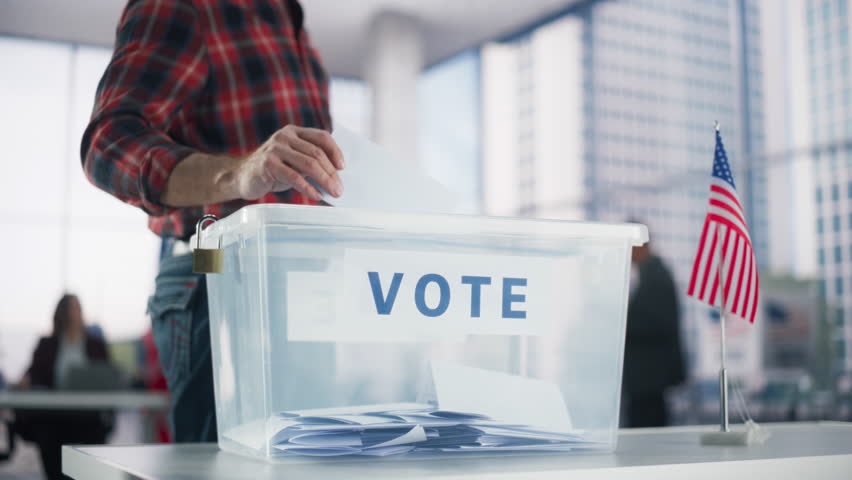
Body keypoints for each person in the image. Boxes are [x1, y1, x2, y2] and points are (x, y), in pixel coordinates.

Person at [80, 0, 345, 442]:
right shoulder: (185, 6)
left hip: (305, 291)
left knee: (306, 459)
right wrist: (238, 172)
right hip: (216, 276)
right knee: (219, 465)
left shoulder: (289, 19)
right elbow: (107, 145)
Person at [16, 294, 112, 480]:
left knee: (89, 470)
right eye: (70, 308)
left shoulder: (95, 345)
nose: (75, 313)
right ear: (61, 313)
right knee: (53, 454)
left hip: (88, 416)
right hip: (55, 417)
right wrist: (25, 381)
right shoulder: (47, 344)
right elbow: (33, 374)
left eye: (77, 308)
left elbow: (107, 375)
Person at [622, 236, 686, 428]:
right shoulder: (649, 274)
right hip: (647, 376)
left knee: (646, 426)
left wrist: (623, 323)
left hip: (649, 376)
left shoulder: (656, 276)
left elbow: (656, 322)